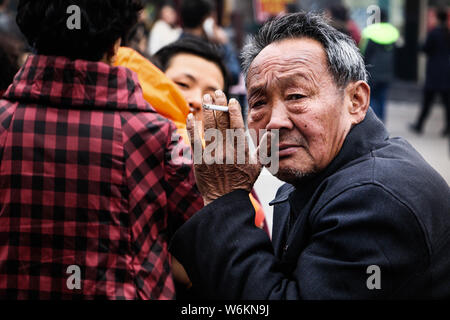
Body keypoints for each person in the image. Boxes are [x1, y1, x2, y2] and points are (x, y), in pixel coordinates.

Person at [169, 12, 450, 299]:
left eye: (297, 96)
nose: (275, 121)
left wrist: (225, 199)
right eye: (258, 102)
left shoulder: (375, 197)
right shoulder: (316, 172)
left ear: (356, 101)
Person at [0, 0, 203, 299]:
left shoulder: (5, 122)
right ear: (116, 43)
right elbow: (207, 239)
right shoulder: (155, 135)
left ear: (30, 31)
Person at [154, 37, 267, 231]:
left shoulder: (227, 172)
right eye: (182, 84)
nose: (198, 101)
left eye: (211, 96)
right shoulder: (135, 145)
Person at [179, 0, 241, 87]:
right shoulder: (212, 51)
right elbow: (234, 75)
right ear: (206, 20)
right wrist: (225, 44)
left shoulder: (174, 48)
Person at [410, 8, 450, 136]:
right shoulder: (447, 33)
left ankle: (419, 125)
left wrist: (420, 44)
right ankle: (447, 128)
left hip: (434, 72)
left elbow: (425, 48)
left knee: (427, 102)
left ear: (438, 18)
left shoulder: (434, 33)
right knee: (447, 104)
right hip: (446, 72)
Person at [360, 9, 399, 123]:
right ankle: (382, 121)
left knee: (371, 96)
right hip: (387, 71)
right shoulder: (393, 32)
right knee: (382, 97)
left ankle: (373, 121)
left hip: (373, 71)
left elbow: (364, 52)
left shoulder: (370, 31)